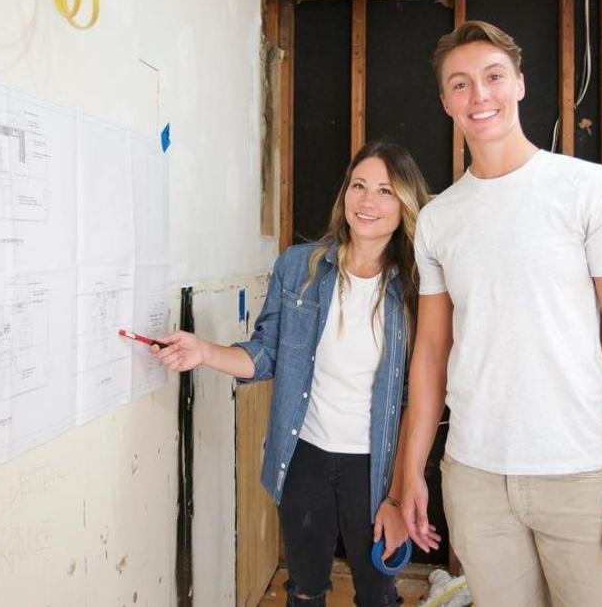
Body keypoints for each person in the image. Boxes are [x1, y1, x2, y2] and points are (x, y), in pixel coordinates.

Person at [398, 21, 602, 606]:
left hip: (582, 472)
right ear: (446, 103)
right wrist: (410, 471)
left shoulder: (587, 189)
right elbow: (431, 353)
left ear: (519, 83)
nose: (479, 95)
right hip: (475, 477)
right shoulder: (440, 219)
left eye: (493, 77)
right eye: (460, 85)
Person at [151, 141, 436, 607]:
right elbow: (268, 354)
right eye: (359, 186)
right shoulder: (298, 267)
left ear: (405, 203)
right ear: (345, 192)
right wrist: (202, 351)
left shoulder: (417, 286)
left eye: (385, 191)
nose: (367, 202)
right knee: (304, 589)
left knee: (377, 593)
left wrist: (400, 494)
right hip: (304, 454)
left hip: (376, 466)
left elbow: (414, 399)